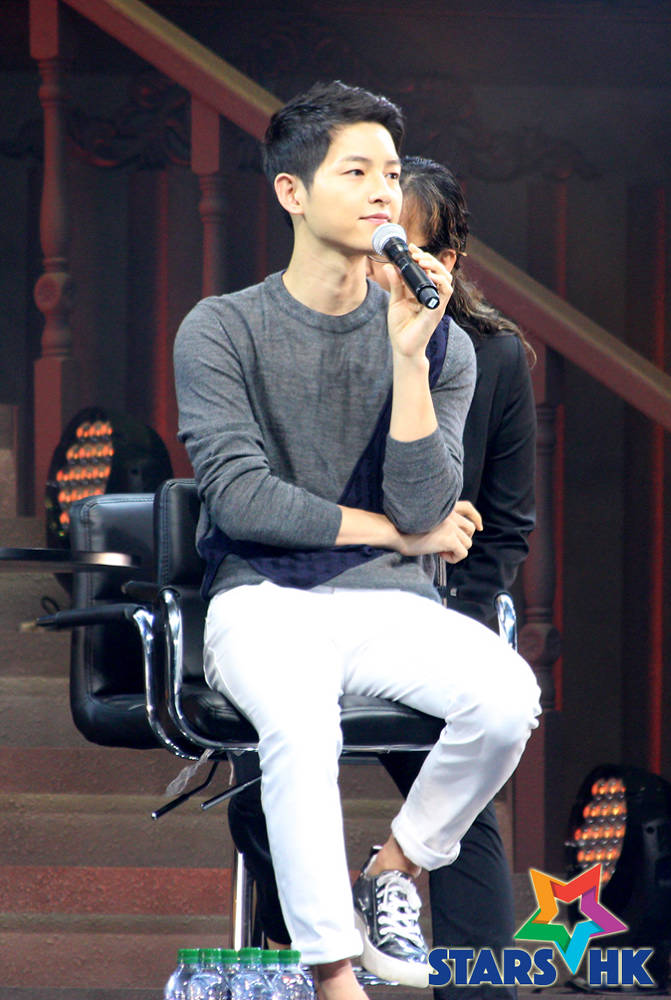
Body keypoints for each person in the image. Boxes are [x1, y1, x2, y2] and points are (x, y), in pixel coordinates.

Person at [174, 81, 541, 1000]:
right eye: (356, 171)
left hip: (389, 602)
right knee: (301, 729)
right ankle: (333, 975)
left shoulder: (445, 345)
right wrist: (399, 534)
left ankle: (394, 867)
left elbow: (429, 501)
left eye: (390, 171)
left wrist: (409, 357)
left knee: (506, 698)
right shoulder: (222, 326)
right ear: (291, 192)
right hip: (263, 597)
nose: (382, 189)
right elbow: (243, 500)